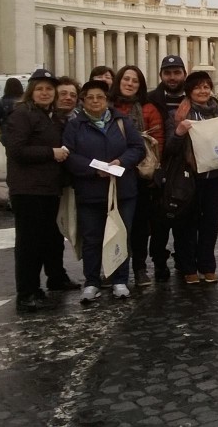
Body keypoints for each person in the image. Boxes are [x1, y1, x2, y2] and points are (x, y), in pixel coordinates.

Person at [63, 80, 145, 302]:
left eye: (100, 97)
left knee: (120, 234)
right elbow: (69, 156)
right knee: (92, 238)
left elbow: (138, 148)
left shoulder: (121, 121)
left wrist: (121, 161)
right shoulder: (75, 125)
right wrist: (94, 168)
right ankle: (92, 282)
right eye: (90, 97)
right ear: (84, 101)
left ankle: (120, 280)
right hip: (90, 190)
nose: (96, 101)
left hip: (122, 190)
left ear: (107, 100)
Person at [5, 69, 74, 311]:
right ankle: (26, 292)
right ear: (31, 92)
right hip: (28, 189)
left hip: (47, 188)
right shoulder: (22, 114)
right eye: (40, 89)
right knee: (28, 243)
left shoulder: (48, 115)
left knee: (48, 238)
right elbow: (16, 150)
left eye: (49, 89)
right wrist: (51, 153)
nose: (45, 93)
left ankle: (48, 282)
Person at [165, 71, 218, 284]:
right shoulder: (177, 114)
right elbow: (169, 148)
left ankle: (207, 264)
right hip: (188, 176)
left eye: (206, 86)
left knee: (210, 222)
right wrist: (179, 132)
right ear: (189, 91)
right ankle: (187, 265)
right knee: (187, 222)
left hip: (213, 176)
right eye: (198, 87)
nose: (203, 91)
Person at [109, 65, 164, 286]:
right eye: (126, 79)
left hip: (141, 175)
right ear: (119, 81)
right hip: (113, 173)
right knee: (114, 224)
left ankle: (139, 268)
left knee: (140, 224)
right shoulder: (107, 106)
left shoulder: (149, 108)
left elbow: (158, 140)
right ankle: (113, 268)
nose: (130, 84)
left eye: (135, 81)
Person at [147, 55, 187, 281]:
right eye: (168, 73)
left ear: (184, 74)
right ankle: (159, 261)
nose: (172, 77)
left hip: (185, 165)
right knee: (159, 218)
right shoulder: (151, 99)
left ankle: (183, 258)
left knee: (185, 214)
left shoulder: (192, 98)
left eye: (176, 72)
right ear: (161, 75)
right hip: (160, 164)